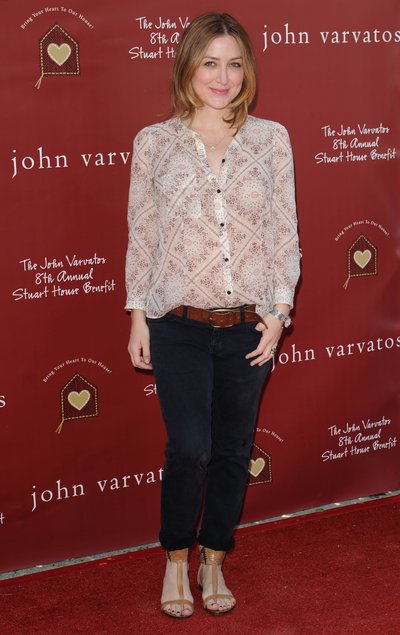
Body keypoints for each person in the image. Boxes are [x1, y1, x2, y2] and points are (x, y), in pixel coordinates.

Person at [126, 12, 300, 618]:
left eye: (234, 64)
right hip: (176, 323)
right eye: (210, 63)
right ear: (188, 67)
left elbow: (284, 234)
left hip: (250, 324)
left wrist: (279, 311)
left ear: (247, 70)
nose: (222, 77)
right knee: (189, 447)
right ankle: (176, 556)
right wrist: (137, 315)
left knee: (231, 449)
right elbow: (142, 236)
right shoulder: (154, 143)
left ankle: (214, 557)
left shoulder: (271, 139)